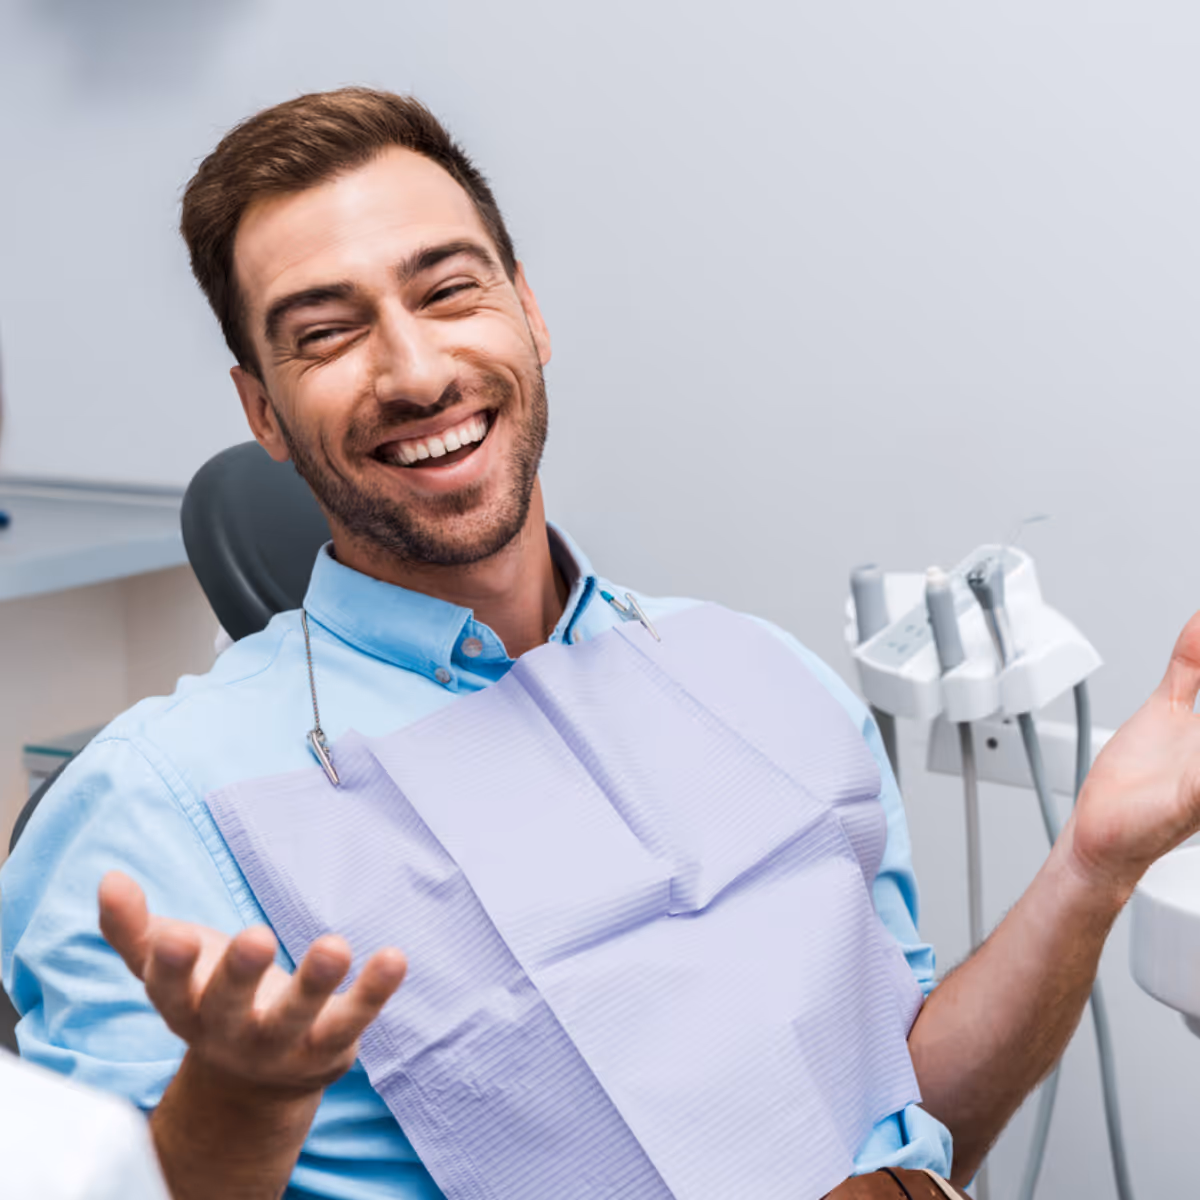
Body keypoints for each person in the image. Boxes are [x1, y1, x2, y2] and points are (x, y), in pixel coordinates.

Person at [2, 88, 1199, 1200]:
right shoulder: (154, 806)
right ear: (261, 407)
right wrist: (242, 1102)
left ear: (528, 310)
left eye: (448, 290)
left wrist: (1092, 865)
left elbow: (910, 1110)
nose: (416, 370)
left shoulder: (761, 679)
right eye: (326, 332)